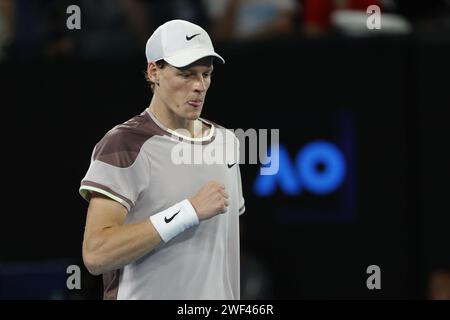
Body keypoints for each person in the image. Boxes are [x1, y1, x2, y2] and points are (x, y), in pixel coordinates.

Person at [79, 19, 245, 300]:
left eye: (206, 74)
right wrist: (187, 212)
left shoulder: (227, 142)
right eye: (186, 74)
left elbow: (221, 253)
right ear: (154, 71)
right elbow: (97, 253)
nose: (199, 86)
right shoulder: (123, 144)